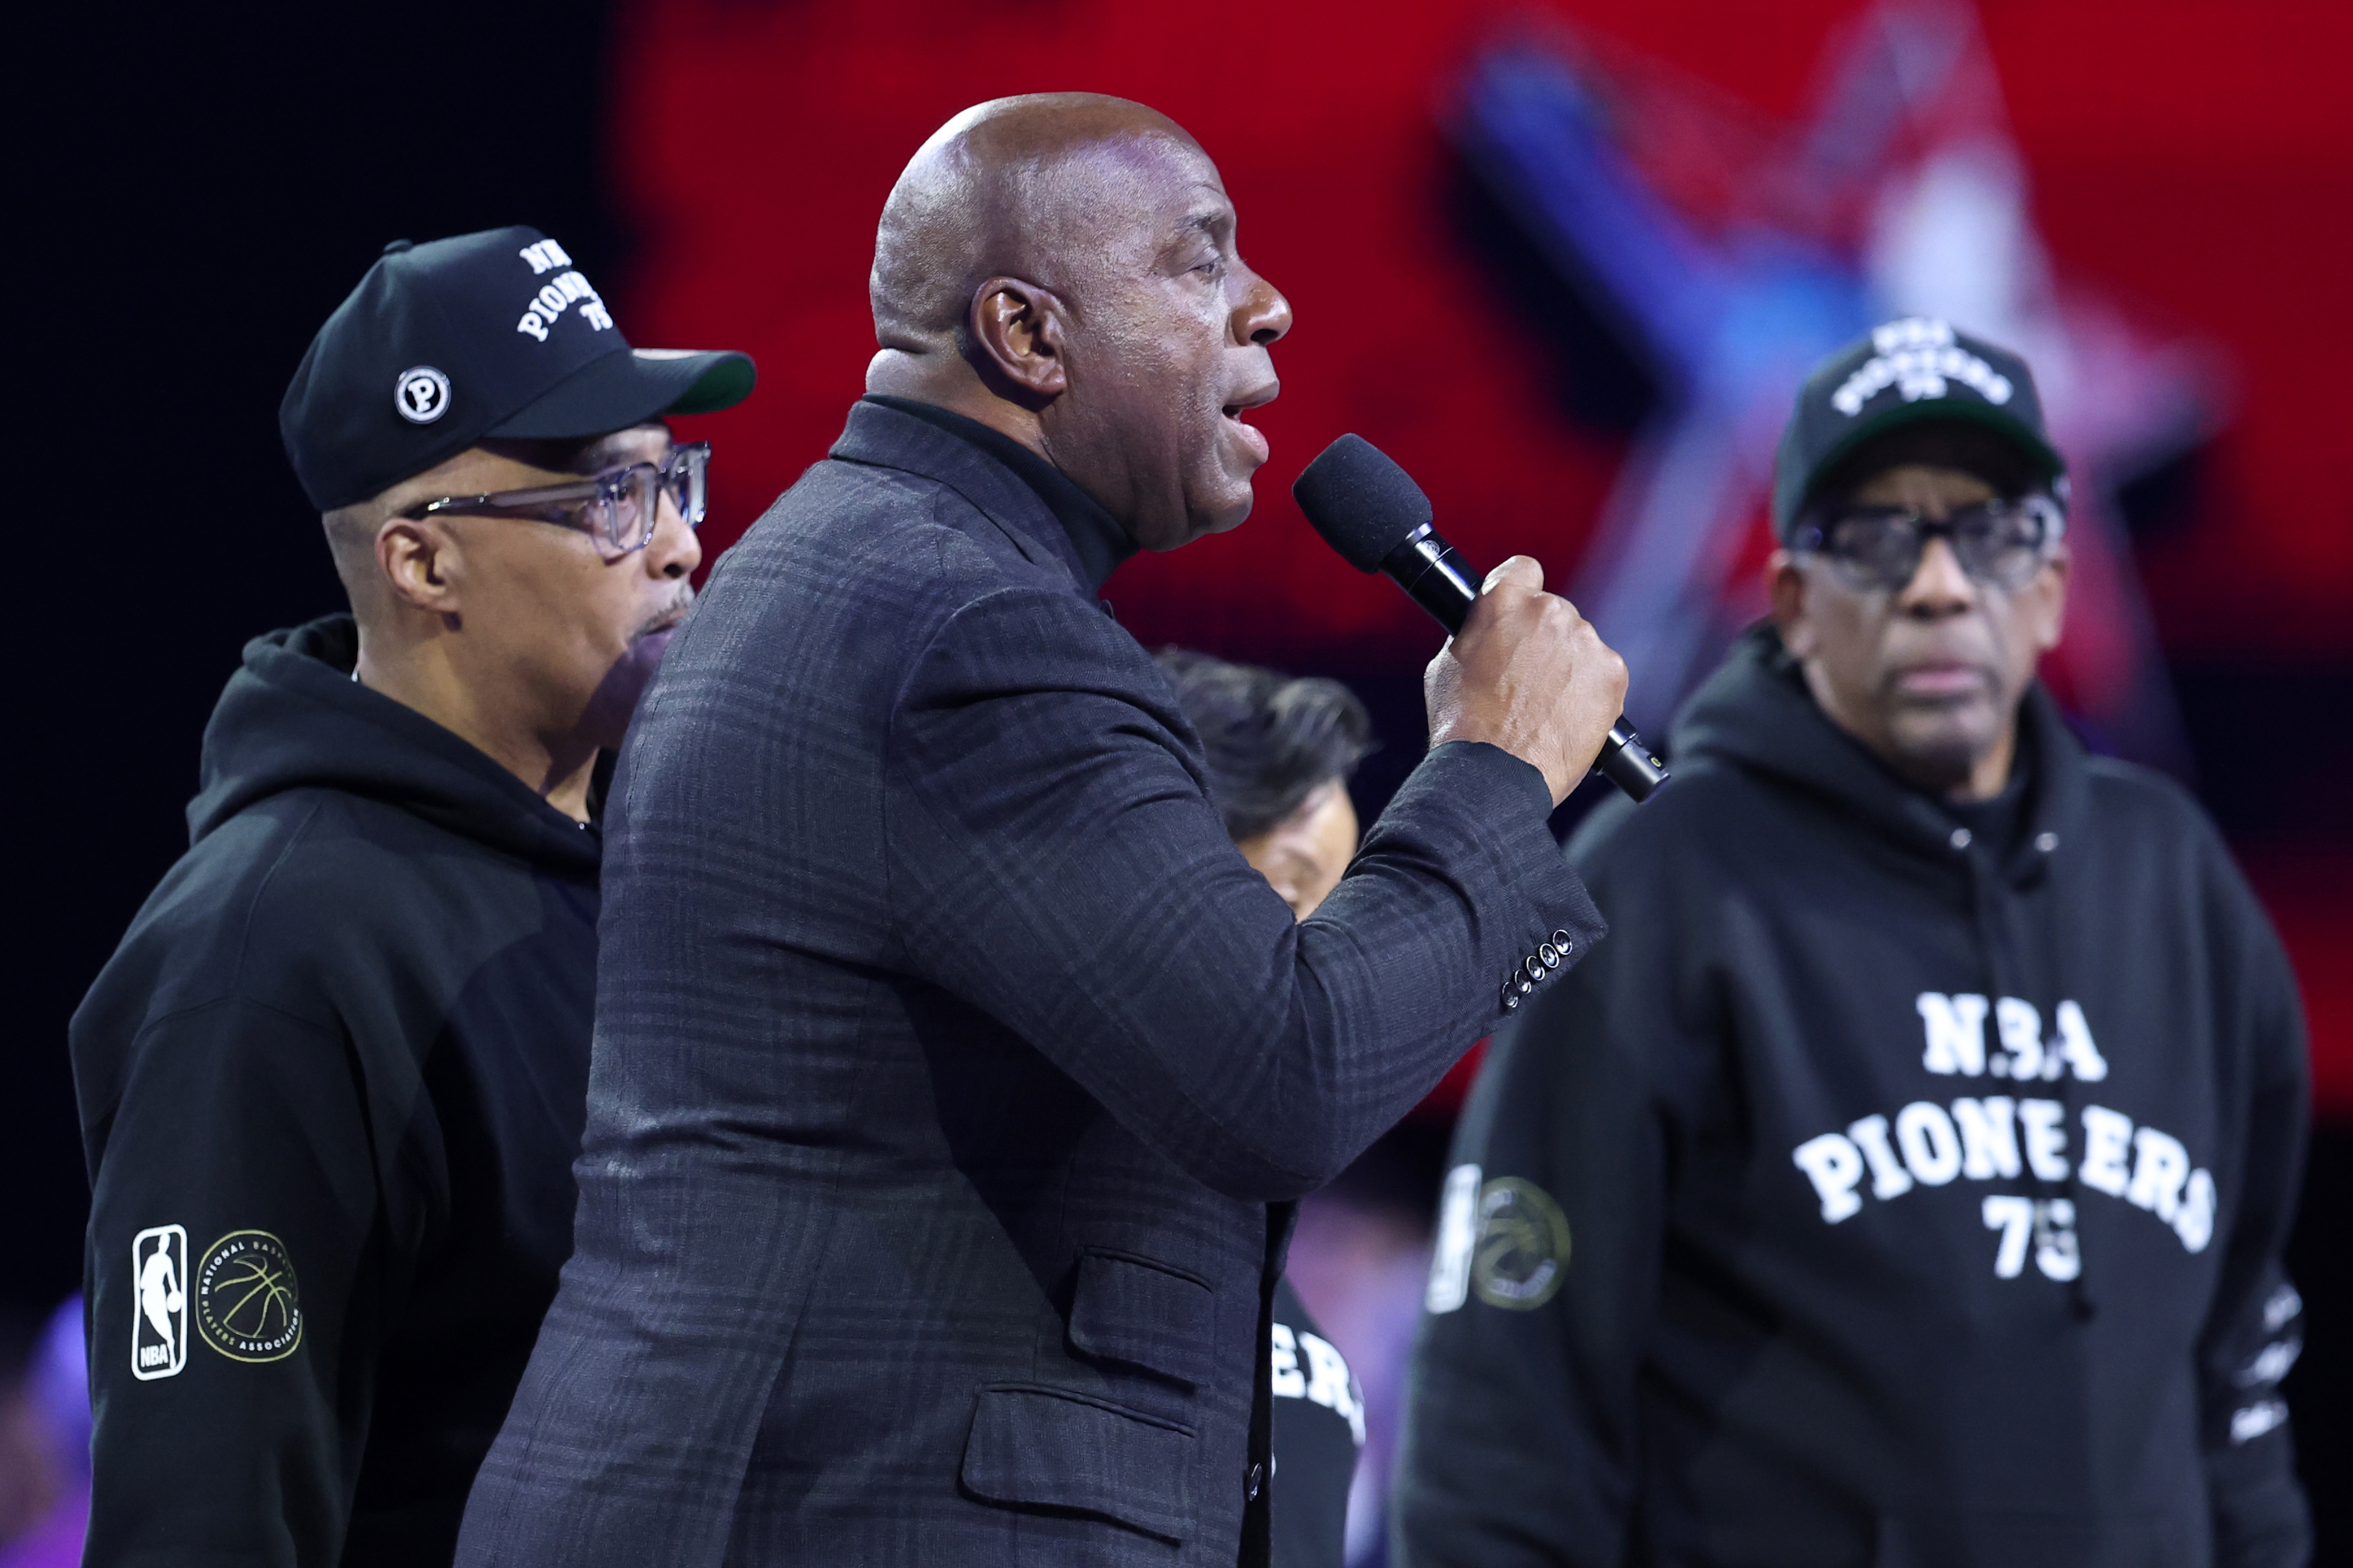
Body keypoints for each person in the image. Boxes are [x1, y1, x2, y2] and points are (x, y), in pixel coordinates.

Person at [457, 93, 1628, 1568]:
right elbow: (1284, 1073)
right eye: (1201, 262)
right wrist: (1502, 763)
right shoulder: (968, 628)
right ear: (1027, 334)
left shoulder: (860, 573)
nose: (1270, 305)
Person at [1395, 318, 2311, 1567]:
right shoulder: (1665, 876)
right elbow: (1505, 1401)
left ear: (2055, 585)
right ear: (1793, 602)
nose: (1939, 584)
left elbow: (2241, 1367)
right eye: (1877, 539)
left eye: (1991, 533)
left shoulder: (2174, 879)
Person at [70, 227, 754, 1565]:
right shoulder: (269, 953)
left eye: (674, 480)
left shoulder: (670, 877)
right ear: (421, 562)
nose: (677, 543)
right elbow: (206, 1515)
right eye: (608, 498)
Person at [1157, 648, 1375, 1568]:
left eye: (1344, 911)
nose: (1333, 960)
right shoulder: (1019, 1222)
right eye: (1292, 891)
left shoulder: (1258, 1258)